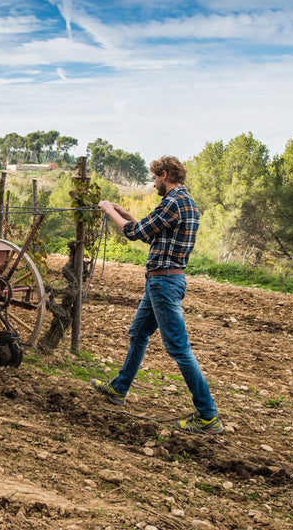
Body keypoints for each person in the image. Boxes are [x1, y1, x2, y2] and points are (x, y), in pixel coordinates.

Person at [93, 156, 222, 434]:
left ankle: (208, 416)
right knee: (138, 334)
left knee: (178, 348)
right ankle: (118, 389)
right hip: (164, 281)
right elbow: (152, 235)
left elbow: (132, 233)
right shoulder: (187, 203)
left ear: (164, 174)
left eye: (154, 178)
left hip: (163, 284)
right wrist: (126, 213)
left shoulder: (172, 202)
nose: (154, 184)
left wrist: (108, 210)